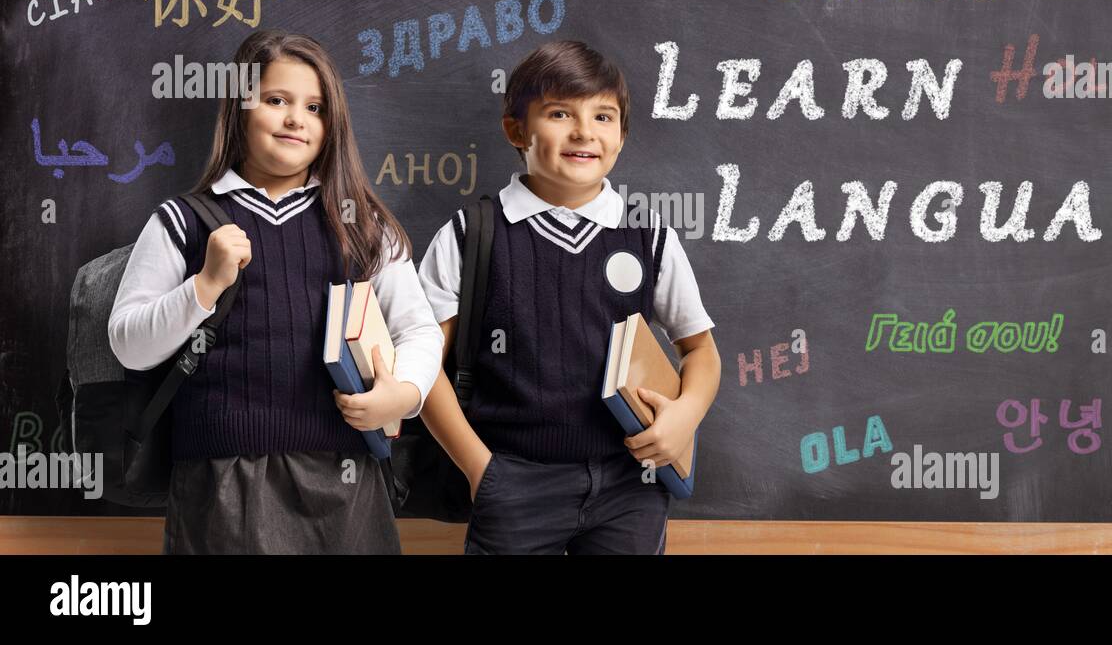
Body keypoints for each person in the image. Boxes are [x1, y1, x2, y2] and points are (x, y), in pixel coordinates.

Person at [108, 30, 442, 554]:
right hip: (222, 478)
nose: (296, 119)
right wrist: (205, 284)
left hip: (345, 476)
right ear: (238, 110)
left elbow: (418, 329)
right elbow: (127, 342)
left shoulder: (361, 223)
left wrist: (402, 395)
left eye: (315, 107)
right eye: (276, 100)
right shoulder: (185, 221)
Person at [417, 40, 721, 554]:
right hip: (512, 478)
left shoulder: (648, 237)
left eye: (604, 116)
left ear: (622, 136)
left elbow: (701, 350)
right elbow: (421, 361)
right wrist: (480, 468)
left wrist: (686, 414)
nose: (584, 131)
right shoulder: (472, 234)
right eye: (560, 113)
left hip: (631, 483)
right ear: (517, 128)